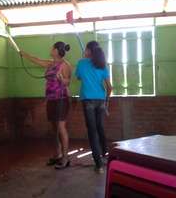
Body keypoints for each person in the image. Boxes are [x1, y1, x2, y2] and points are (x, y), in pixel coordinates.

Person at [20, 41, 72, 169]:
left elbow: (68, 82)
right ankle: (57, 155)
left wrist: (61, 79)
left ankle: (65, 159)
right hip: (51, 99)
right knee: (54, 129)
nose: (50, 49)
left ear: (56, 50)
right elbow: (37, 60)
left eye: (52, 47)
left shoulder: (65, 65)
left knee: (61, 128)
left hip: (61, 99)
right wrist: (24, 54)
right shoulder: (50, 63)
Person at [75, 41, 112, 173]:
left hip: (88, 100)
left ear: (89, 51)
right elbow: (109, 87)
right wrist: (106, 103)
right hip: (101, 100)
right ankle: (105, 155)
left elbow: (78, 77)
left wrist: (84, 61)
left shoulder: (81, 63)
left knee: (92, 131)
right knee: (100, 127)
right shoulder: (102, 65)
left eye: (85, 49)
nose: (84, 51)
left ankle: (99, 165)